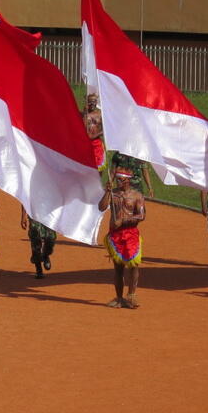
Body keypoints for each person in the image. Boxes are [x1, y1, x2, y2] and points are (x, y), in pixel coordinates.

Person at [98, 167, 146, 309]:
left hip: (131, 234)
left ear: (128, 181)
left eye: (122, 180)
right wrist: (107, 191)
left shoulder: (137, 196)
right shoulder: (113, 194)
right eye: (117, 179)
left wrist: (123, 220)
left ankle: (131, 295)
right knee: (118, 268)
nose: (119, 182)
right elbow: (101, 207)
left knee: (134, 265)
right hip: (115, 234)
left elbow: (141, 215)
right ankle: (119, 298)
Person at [20, 207, 56, 279]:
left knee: (51, 238)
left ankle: (46, 254)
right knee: (35, 237)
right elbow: (25, 197)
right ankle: (38, 267)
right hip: (34, 213)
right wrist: (23, 215)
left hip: (49, 212)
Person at [82, 93, 106, 171]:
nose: (92, 103)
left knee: (98, 167)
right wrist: (85, 113)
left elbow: (105, 129)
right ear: (87, 102)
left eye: (94, 101)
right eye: (90, 101)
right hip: (85, 144)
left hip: (97, 143)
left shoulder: (100, 114)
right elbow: (83, 127)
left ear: (96, 102)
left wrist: (95, 135)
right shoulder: (84, 114)